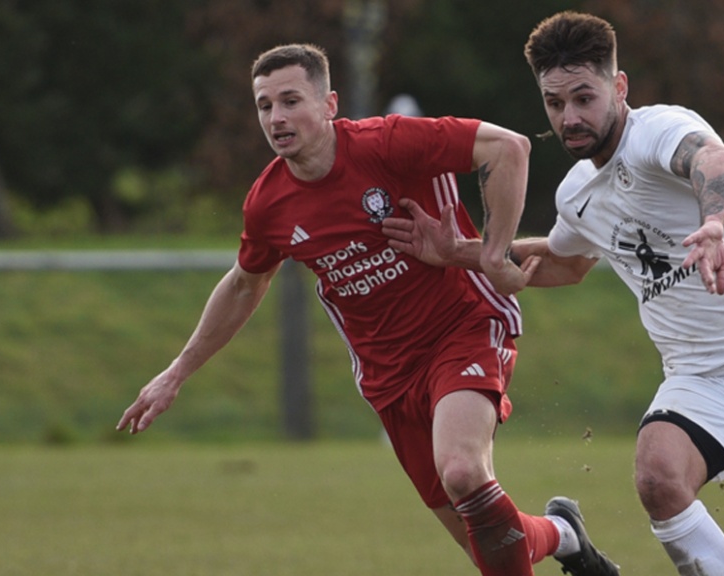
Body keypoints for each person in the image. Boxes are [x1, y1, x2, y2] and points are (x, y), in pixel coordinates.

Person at [383, 11, 724, 575]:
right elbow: (562, 263)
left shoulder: (657, 130)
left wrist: (713, 223)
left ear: (619, 87)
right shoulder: (577, 195)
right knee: (658, 477)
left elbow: (713, 160)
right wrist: (459, 252)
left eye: (584, 98)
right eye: (555, 103)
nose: (570, 117)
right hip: (700, 375)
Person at [116, 44, 619, 576]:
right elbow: (245, 284)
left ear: (330, 103)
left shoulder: (389, 143)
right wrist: (176, 373)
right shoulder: (269, 202)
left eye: (290, 101)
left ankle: (560, 534)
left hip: (464, 326)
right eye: (265, 106)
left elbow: (509, 148)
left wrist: (492, 252)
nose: (276, 118)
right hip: (387, 375)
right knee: (486, 542)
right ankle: (563, 535)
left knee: (463, 470)